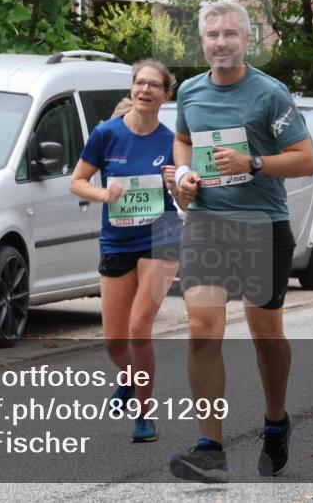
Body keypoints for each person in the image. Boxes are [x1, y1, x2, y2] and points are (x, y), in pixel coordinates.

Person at [168, 0, 313, 483]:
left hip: (262, 223)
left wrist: (253, 162)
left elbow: (305, 159)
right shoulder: (190, 91)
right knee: (202, 329)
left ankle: (276, 422)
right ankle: (211, 446)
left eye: (231, 34)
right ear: (203, 42)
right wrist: (186, 175)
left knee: (265, 333)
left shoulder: (270, 94)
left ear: (247, 40)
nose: (221, 42)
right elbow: (184, 140)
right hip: (208, 221)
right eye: (212, 35)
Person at [69, 59, 182, 443]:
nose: (145, 89)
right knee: (115, 341)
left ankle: (144, 414)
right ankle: (130, 378)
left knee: (138, 329)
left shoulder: (172, 141)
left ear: (166, 95)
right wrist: (104, 193)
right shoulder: (106, 133)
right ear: (132, 88)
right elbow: (77, 182)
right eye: (140, 83)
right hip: (117, 239)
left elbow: (195, 193)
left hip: (161, 237)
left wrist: (180, 183)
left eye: (154, 84)